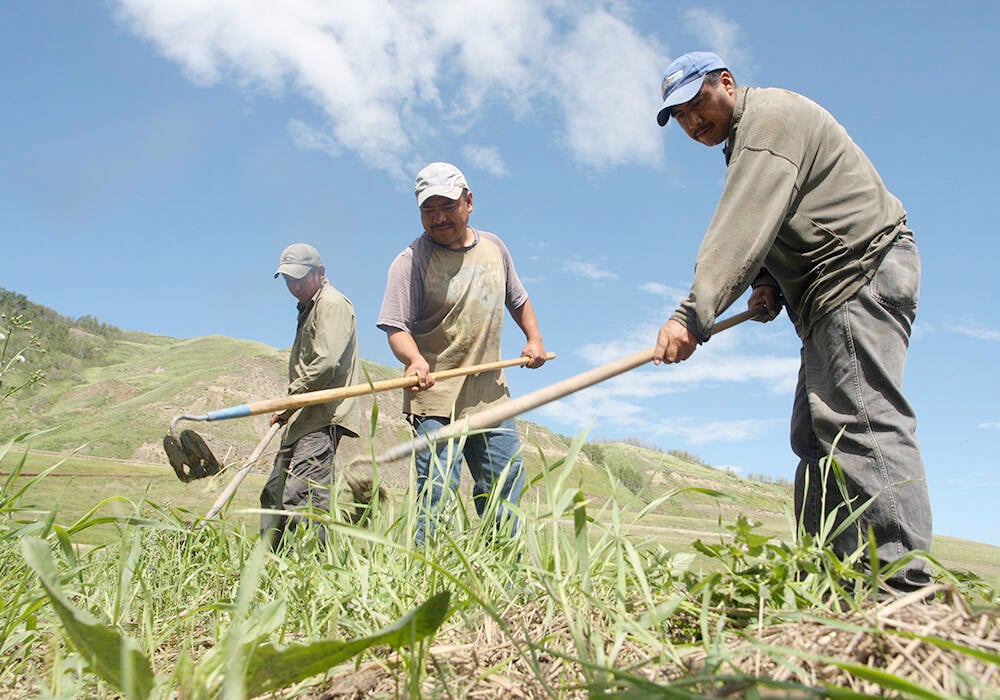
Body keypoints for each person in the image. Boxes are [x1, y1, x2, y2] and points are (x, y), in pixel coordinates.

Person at [652, 52, 932, 592]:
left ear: (727, 84)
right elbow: (787, 219)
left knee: (861, 423)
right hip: (827, 293)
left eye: (695, 105)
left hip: (858, 272)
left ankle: (902, 591)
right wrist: (770, 285)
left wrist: (692, 314)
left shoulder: (767, 122)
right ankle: (831, 579)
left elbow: (744, 223)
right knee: (815, 436)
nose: (691, 123)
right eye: (679, 117)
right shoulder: (748, 138)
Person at [377, 162, 548, 545]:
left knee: (504, 490)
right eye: (428, 209)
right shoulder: (410, 261)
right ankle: (427, 579)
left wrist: (534, 339)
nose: (438, 218)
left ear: (468, 202)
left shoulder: (494, 248)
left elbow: (517, 299)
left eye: (447, 206)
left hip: (491, 396)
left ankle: (508, 577)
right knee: (436, 495)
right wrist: (414, 360)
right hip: (435, 397)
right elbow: (395, 325)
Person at [261, 242, 362, 548]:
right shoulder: (309, 307)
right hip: (302, 416)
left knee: (302, 495)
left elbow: (326, 362)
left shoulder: (331, 303)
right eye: (289, 280)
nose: (294, 286)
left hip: (321, 415)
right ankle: (266, 565)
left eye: (299, 279)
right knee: (273, 493)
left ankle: (308, 570)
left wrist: (289, 399)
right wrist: (290, 408)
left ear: (320, 273)